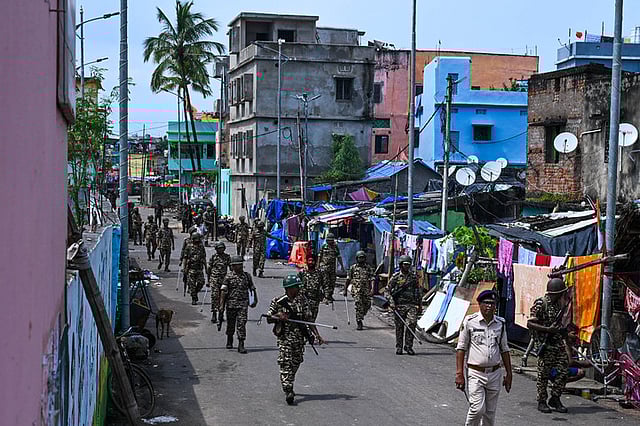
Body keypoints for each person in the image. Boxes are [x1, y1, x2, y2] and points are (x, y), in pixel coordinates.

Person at [265, 274, 325, 405]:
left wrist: (317, 335)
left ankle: (289, 380)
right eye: (296, 287)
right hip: (285, 338)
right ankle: (288, 389)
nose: (298, 289)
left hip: (299, 339)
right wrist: (278, 316)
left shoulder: (302, 301)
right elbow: (268, 318)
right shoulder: (278, 301)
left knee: (296, 362)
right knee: (285, 362)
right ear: (289, 288)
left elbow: (309, 319)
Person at [456, 290, 513, 426]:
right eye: (486, 303)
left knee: (490, 413)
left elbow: (504, 349)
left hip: (494, 373)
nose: (489, 306)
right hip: (476, 373)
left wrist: (509, 373)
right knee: (477, 409)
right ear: (479, 304)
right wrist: (459, 374)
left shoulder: (500, 324)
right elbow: (461, 348)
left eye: (492, 303)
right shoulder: (470, 322)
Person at [528, 278, 570, 414]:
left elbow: (557, 324)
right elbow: (530, 323)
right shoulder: (541, 304)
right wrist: (547, 330)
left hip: (557, 343)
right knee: (543, 374)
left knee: (563, 370)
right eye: (561, 292)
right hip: (545, 345)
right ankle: (542, 401)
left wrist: (563, 332)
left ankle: (555, 398)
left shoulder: (559, 305)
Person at [219, 255, 258, 353]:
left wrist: (255, 300)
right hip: (231, 304)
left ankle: (241, 343)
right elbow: (223, 292)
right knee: (231, 324)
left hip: (243, 304)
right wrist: (221, 305)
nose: (239, 266)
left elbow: (252, 288)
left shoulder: (247, 276)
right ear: (232, 266)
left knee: (242, 323)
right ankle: (229, 338)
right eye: (237, 265)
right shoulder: (228, 277)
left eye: (240, 264)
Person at [384, 255, 422, 355]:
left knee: (412, 323)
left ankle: (408, 346)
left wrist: (420, 305)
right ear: (401, 265)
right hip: (399, 306)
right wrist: (391, 303)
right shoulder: (396, 277)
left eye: (408, 265)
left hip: (411, 305)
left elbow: (418, 292)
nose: (406, 266)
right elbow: (387, 291)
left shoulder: (413, 277)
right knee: (399, 327)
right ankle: (399, 346)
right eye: (405, 264)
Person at [344, 250, 374, 330]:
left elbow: (372, 279)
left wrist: (372, 289)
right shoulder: (353, 268)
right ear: (357, 258)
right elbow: (348, 279)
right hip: (356, 290)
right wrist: (345, 289)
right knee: (358, 304)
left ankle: (361, 315)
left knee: (367, 304)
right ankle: (359, 321)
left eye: (363, 257)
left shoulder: (368, 268)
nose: (361, 259)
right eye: (360, 258)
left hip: (366, 290)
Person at [208, 241, 231, 323]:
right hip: (215, 279)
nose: (220, 250)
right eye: (219, 248)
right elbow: (209, 268)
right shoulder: (213, 257)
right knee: (214, 296)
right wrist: (208, 280)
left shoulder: (227, 257)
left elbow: (231, 268)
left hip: (224, 280)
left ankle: (221, 314)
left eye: (222, 248)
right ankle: (214, 313)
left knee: (223, 297)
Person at [298, 255, 326, 322]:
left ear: (315, 262)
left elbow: (324, 284)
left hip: (315, 300)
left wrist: (325, 296)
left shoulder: (319, 273)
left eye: (312, 261)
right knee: (303, 318)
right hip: (304, 299)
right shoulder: (302, 272)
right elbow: (297, 284)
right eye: (309, 260)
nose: (310, 262)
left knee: (312, 319)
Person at [318, 233, 344, 303]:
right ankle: (326, 297)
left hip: (332, 268)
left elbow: (339, 257)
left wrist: (342, 266)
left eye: (331, 240)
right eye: (328, 240)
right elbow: (320, 256)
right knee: (326, 282)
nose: (329, 242)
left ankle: (330, 295)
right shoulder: (324, 246)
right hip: (324, 267)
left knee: (332, 282)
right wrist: (318, 266)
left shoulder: (335, 247)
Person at [183, 232, 207, 305]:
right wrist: (184, 268)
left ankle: (195, 292)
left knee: (201, 283)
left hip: (199, 268)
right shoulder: (188, 247)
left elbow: (204, 258)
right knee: (192, 285)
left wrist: (206, 268)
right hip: (191, 269)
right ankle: (194, 298)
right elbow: (185, 258)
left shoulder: (201, 247)